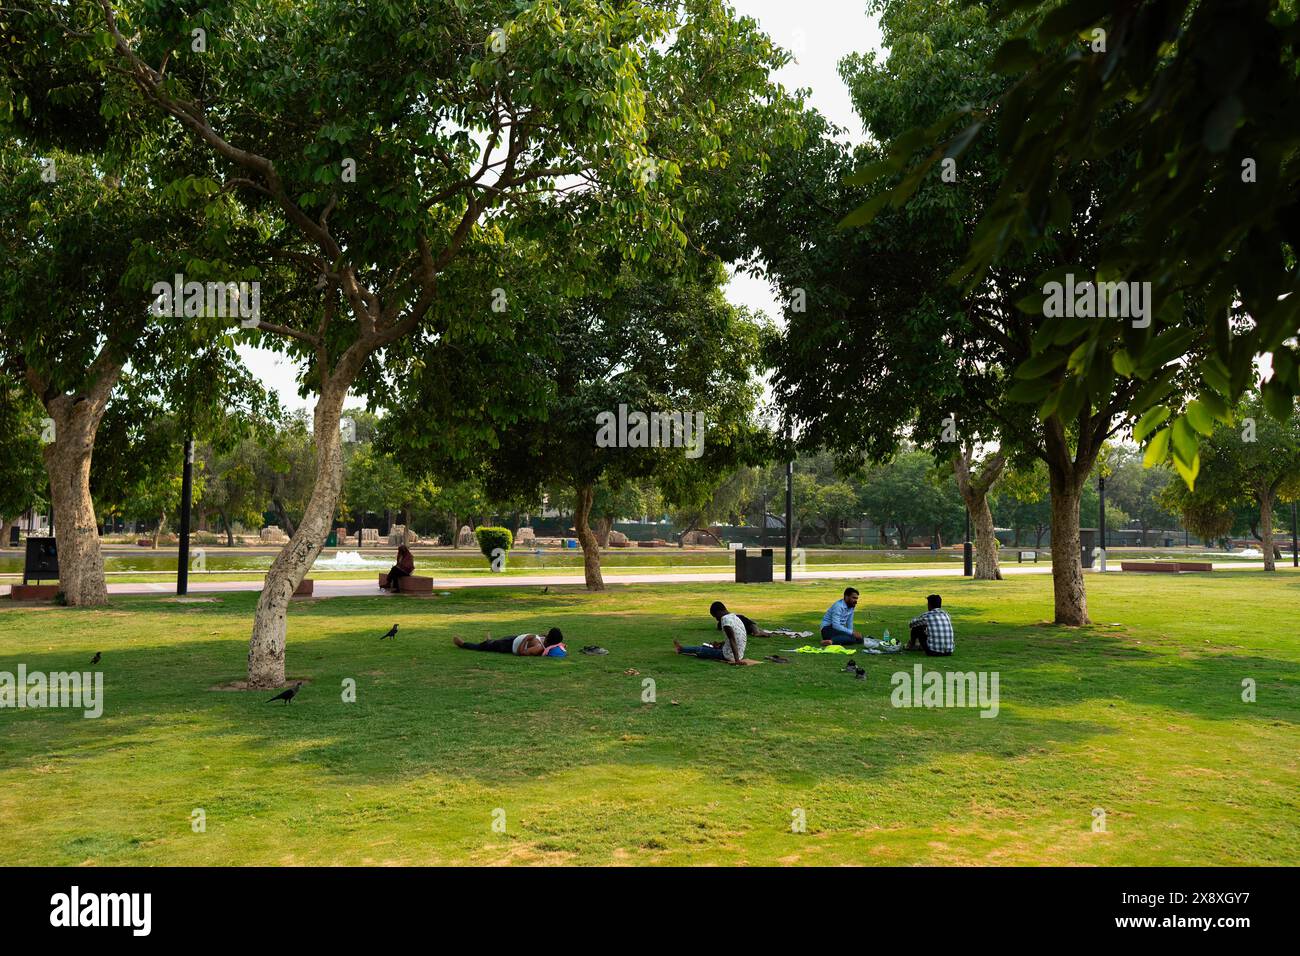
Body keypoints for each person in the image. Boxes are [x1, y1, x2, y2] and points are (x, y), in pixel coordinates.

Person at [675, 608, 748, 664]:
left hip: (729, 656)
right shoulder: (734, 617)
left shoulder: (725, 620)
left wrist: (737, 660)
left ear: (718, 612)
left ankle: (681, 649)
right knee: (709, 646)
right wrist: (721, 644)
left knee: (700, 650)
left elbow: (732, 639)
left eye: (715, 616)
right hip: (739, 653)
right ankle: (682, 648)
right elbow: (735, 637)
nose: (717, 619)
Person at [454, 627, 567, 657]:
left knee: (482, 647)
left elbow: (521, 653)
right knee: (492, 644)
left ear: (549, 638)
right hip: (513, 639)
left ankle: (462, 644)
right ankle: (489, 641)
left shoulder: (538, 647)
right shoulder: (545, 640)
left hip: (508, 646)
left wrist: (526, 639)